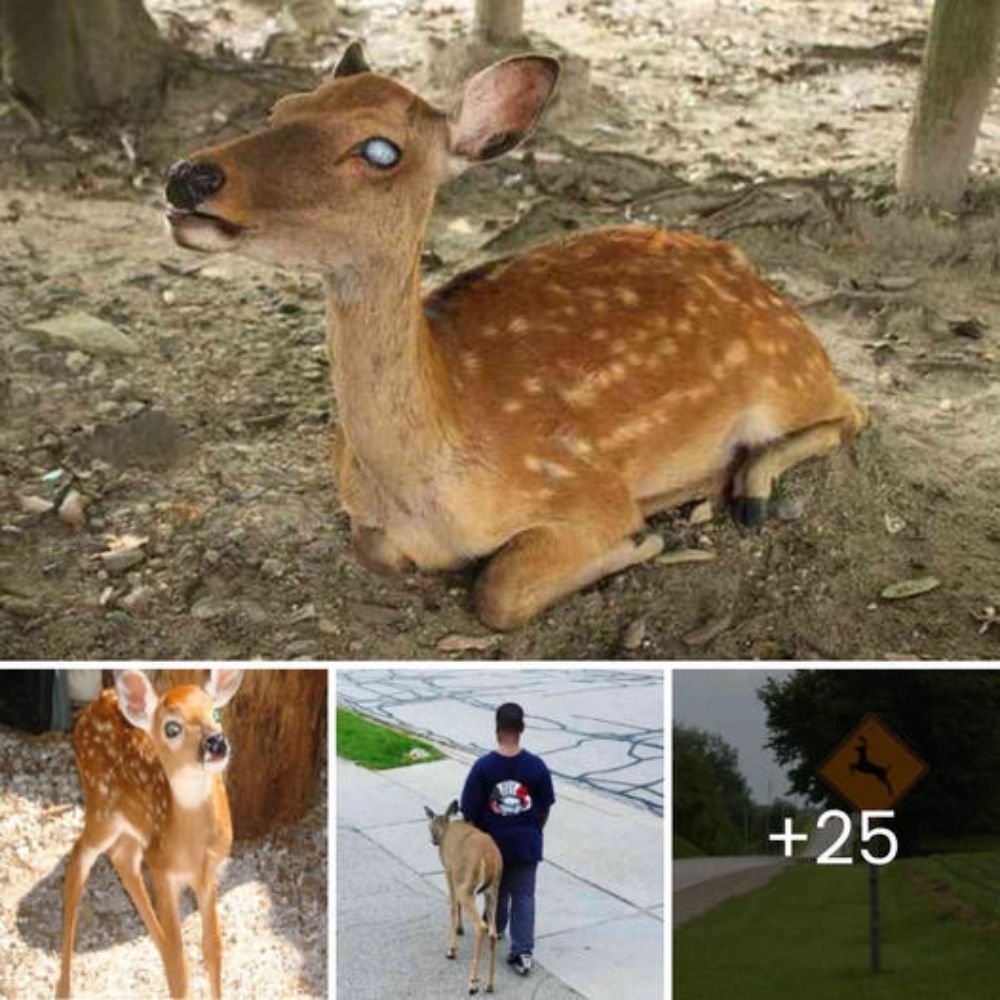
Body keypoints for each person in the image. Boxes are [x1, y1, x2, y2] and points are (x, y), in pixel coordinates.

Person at [459, 702, 555, 977]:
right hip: (527, 842)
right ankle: (523, 952)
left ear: (497, 730)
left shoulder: (483, 767)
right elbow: (545, 807)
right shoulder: (536, 766)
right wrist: (534, 831)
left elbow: (470, 813)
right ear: (522, 728)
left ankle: (494, 928)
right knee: (524, 895)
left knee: (495, 891)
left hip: (492, 846)